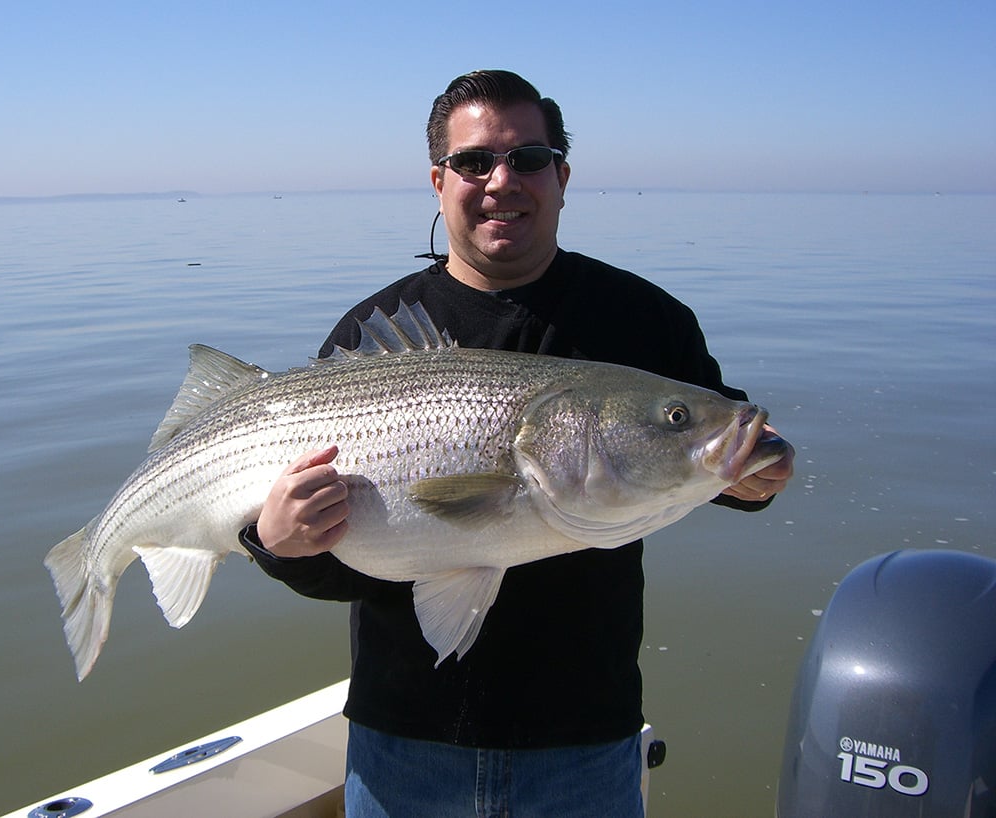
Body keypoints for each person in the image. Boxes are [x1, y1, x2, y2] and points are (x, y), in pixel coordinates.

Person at [237, 69, 795, 817]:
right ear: (439, 182)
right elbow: (351, 568)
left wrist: (760, 472)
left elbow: (720, 445)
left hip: (584, 741)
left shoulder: (645, 320)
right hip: (406, 743)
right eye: (474, 163)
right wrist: (277, 544)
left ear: (561, 176)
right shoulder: (368, 336)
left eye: (529, 159)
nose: (502, 181)